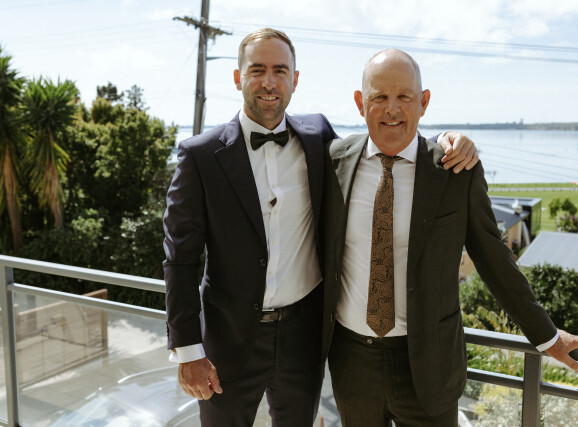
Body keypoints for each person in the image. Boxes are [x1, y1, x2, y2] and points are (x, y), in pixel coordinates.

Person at [163, 28, 478, 426]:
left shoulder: (318, 137)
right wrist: (188, 351)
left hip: (303, 340)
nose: (269, 82)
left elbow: (384, 141)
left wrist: (446, 140)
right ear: (238, 77)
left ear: (295, 80)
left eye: (280, 70)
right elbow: (180, 259)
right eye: (257, 70)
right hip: (228, 341)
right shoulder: (200, 156)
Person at [320, 49, 578, 426]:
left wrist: (548, 337)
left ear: (424, 102)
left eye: (404, 96)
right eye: (379, 96)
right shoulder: (334, 160)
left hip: (429, 365)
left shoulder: (455, 171)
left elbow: (494, 260)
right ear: (360, 102)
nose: (392, 108)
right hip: (352, 363)